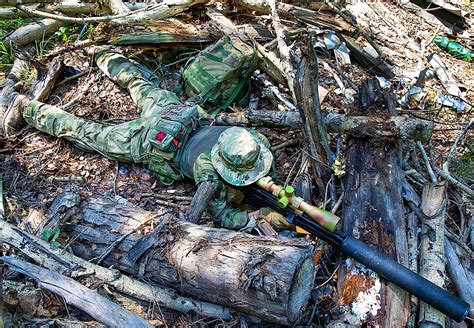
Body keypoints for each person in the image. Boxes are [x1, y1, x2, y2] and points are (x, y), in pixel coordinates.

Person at [1, 48, 291, 231]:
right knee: (87, 132)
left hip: (177, 113)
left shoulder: (253, 142)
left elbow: (266, 172)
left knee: (139, 84)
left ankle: (102, 53)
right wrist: (254, 219)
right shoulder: (210, 171)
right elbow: (222, 216)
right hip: (150, 141)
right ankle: (25, 107)